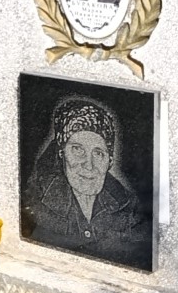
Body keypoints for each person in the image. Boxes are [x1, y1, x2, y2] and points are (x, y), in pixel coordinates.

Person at [23, 95, 149, 267]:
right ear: (62, 154)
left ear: (109, 161)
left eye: (98, 153)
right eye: (77, 149)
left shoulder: (129, 206)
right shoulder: (37, 200)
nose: (89, 165)